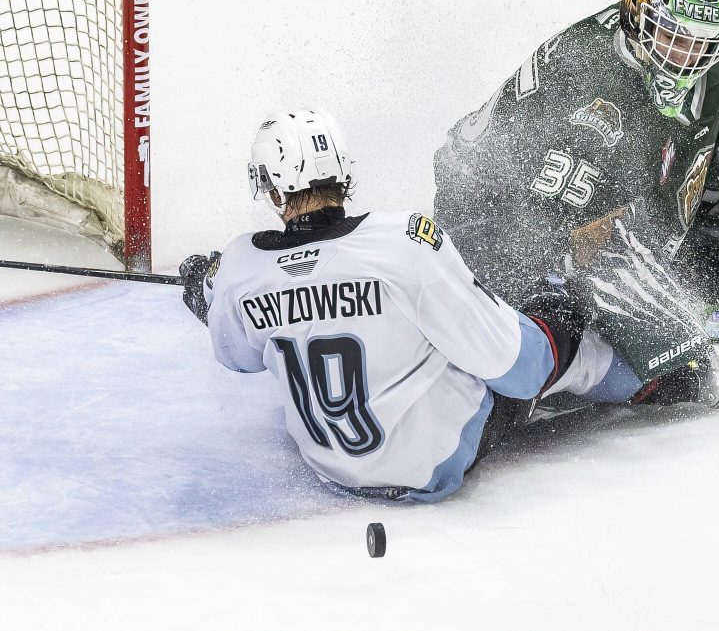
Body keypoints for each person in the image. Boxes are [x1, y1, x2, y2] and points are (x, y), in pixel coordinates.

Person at [179, 109, 647, 502]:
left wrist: (208, 288)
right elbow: (521, 369)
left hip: (330, 468)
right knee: (550, 335)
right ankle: (650, 385)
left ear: (273, 189)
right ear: (344, 172)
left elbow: (237, 355)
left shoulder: (241, 268)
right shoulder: (404, 242)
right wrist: (558, 306)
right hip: (433, 463)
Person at [433, 0, 719, 404]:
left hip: (587, 205)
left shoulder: (718, 64)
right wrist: (635, 293)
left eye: (700, 44)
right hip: (489, 214)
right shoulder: (588, 76)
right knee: (623, 335)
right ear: (638, 15)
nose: (686, 55)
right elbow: (551, 230)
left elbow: (710, 146)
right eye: (674, 36)